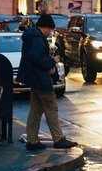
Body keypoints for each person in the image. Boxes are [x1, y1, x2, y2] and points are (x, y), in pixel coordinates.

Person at [20, 13, 75, 150]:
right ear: (45, 27)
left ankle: (32, 140)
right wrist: (52, 60)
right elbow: (38, 59)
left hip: (34, 78)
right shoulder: (38, 39)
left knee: (36, 109)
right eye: (50, 29)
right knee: (51, 107)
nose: (50, 32)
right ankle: (58, 139)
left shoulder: (31, 36)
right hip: (41, 78)